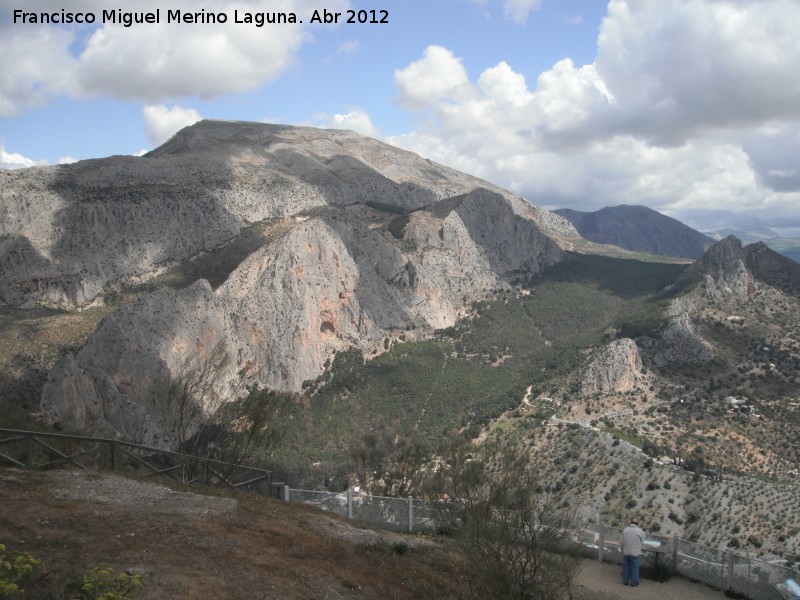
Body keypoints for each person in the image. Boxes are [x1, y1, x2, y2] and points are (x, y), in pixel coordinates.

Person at [621, 517, 646, 586]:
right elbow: (643, 539)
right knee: (635, 568)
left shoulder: (625, 530)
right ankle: (634, 582)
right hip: (635, 553)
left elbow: (622, 541)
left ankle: (625, 581)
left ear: (631, 522)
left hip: (626, 552)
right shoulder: (639, 531)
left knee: (626, 567)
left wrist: (622, 549)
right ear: (637, 523)